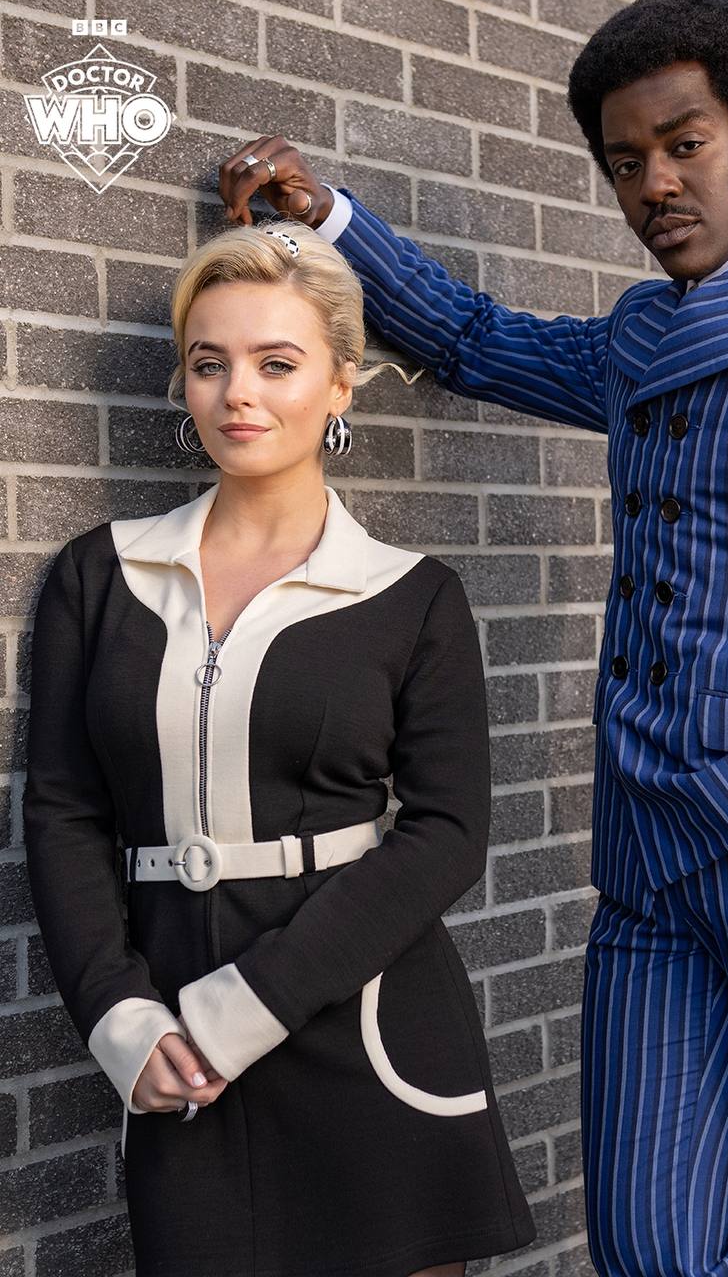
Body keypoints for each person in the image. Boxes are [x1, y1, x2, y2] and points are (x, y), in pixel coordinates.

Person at [216, 0, 728, 1272]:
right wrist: (330, 223)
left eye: (684, 145)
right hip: (652, 856)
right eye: (624, 160)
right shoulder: (643, 333)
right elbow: (478, 341)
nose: (652, 184)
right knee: (650, 1244)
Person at [22, 217, 536, 1277]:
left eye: (277, 363)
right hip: (177, 1055)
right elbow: (64, 812)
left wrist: (244, 1008)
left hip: (370, 1028)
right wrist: (120, 1016)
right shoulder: (100, 576)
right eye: (208, 363)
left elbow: (447, 833)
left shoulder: (411, 595)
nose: (237, 394)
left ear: (341, 384)